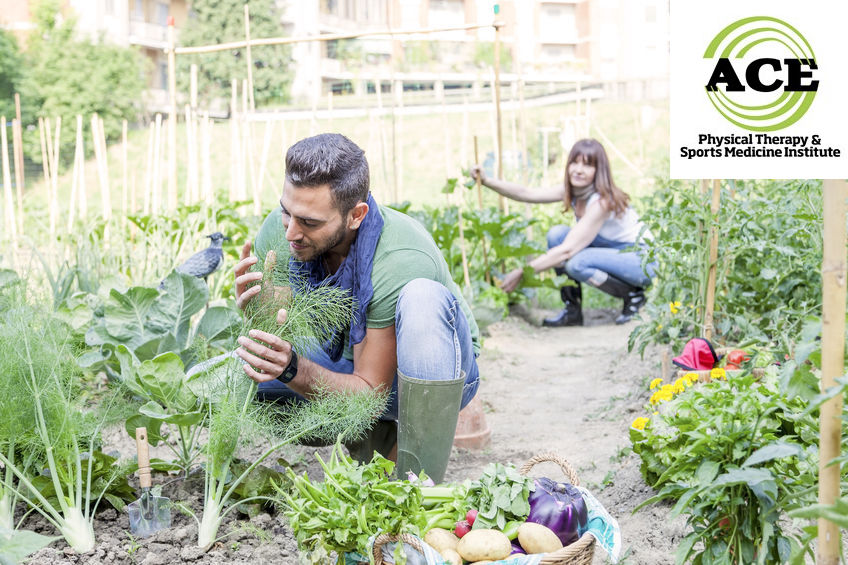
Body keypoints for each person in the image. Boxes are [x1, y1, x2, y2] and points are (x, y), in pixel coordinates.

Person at [232, 133, 480, 482]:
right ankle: (376, 439)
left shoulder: (401, 258)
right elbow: (285, 338)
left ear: (356, 215)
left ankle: (417, 485)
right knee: (239, 372)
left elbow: (370, 394)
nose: (290, 232)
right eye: (287, 212)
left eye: (310, 222)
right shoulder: (284, 229)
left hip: (425, 372)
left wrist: (292, 370)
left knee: (423, 298)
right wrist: (262, 317)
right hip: (350, 361)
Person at [471, 138, 654, 326]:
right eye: (575, 162)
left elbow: (567, 251)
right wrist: (487, 181)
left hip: (641, 260)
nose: (578, 169)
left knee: (577, 263)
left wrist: (522, 272)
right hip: (614, 252)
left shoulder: (602, 202)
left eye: (587, 165)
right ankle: (572, 311)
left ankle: (633, 295)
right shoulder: (574, 191)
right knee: (556, 235)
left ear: (599, 171)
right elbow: (527, 193)